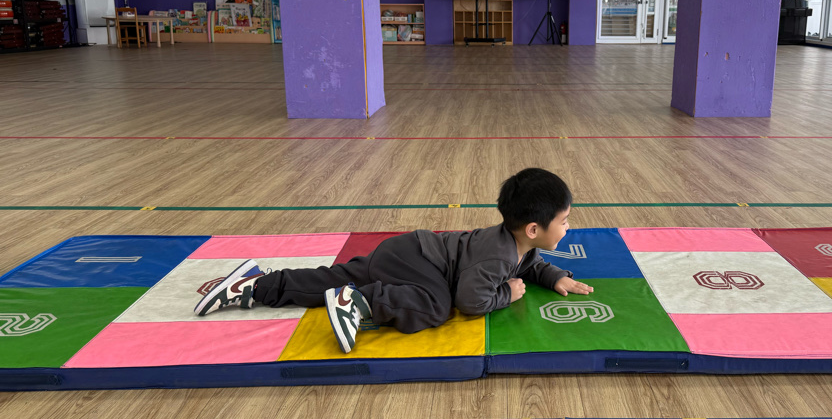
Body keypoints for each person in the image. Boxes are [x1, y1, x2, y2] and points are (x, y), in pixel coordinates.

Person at [193, 168, 594, 353]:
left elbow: (530, 264)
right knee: (437, 306)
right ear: (533, 229)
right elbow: (471, 301)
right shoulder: (497, 258)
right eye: (564, 220)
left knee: (327, 279)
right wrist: (507, 294)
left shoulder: (516, 244)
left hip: (405, 251)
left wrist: (554, 276)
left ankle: (253, 285)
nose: (568, 226)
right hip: (418, 263)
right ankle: (361, 302)